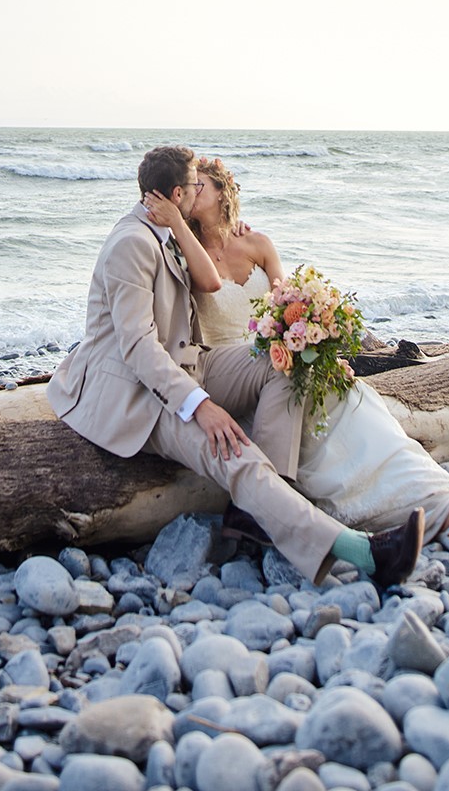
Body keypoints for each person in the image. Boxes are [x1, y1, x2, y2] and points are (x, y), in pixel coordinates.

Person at [47, 143, 424, 588]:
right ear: (176, 193)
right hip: (136, 393)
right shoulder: (133, 243)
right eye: (193, 185)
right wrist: (200, 406)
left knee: (279, 363)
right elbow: (138, 347)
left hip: (189, 363)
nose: (198, 190)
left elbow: (206, 281)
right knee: (233, 450)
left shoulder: (169, 232)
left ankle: (258, 509)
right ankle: (362, 552)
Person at [145, 156, 449, 547]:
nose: (191, 191)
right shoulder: (184, 249)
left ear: (222, 193)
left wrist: (313, 334)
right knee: (327, 437)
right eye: (189, 186)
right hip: (238, 376)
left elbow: (285, 302)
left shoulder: (257, 243)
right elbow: (208, 285)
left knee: (359, 405)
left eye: (200, 185)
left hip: (282, 359)